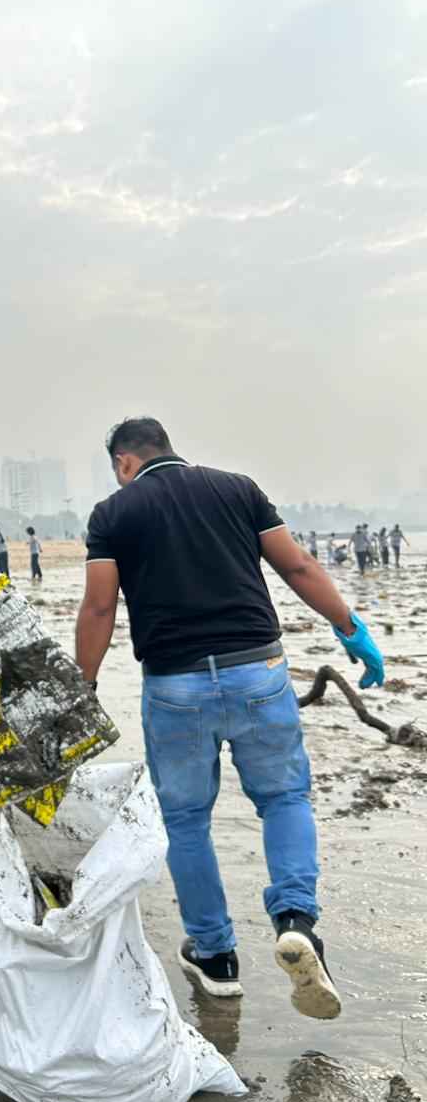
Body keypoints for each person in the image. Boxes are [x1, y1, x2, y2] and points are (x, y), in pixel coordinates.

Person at [75, 417, 384, 1021]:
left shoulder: (113, 512)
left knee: (187, 821)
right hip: (258, 672)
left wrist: (84, 685)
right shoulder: (238, 488)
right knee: (284, 798)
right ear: (169, 448)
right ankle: (296, 921)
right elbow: (295, 568)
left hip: (175, 685)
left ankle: (216, 960)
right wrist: (349, 627)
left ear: (123, 462)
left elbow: (99, 605)